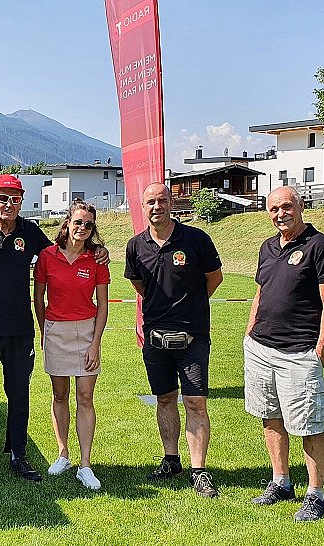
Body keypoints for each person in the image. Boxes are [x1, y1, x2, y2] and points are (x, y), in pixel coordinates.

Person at [0, 176, 110, 484]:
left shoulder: (30, 231)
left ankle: (18, 455)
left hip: (19, 331)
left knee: (19, 395)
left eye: (15, 199)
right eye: (3, 198)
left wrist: (98, 250)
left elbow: (62, 253)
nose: (9, 204)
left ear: (21, 201)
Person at [244, 186, 324, 522]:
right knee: (270, 417)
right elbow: (260, 293)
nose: (280, 214)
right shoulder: (267, 247)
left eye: (286, 206)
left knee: (310, 425)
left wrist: (320, 352)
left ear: (300, 206)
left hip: (299, 353)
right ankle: (281, 482)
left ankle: (316, 495)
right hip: (260, 348)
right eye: (273, 209)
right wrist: (249, 333)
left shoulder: (319, 245)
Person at [124, 182, 224, 499]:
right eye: (151, 202)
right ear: (143, 206)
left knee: (195, 402)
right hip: (155, 337)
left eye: (162, 200)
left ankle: (199, 470)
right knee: (165, 398)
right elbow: (139, 285)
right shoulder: (135, 246)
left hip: (193, 335)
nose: (157, 206)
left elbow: (214, 278)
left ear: (172, 203)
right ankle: (171, 460)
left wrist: (191, 305)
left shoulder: (196, 239)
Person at [33, 201, 110, 490]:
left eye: (89, 224)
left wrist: (95, 343)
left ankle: (85, 465)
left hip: (86, 332)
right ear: (67, 223)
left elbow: (103, 305)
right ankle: (63, 454)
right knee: (60, 395)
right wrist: (45, 331)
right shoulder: (47, 256)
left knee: (86, 397)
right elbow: (38, 298)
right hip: (56, 330)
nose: (83, 228)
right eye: (78, 222)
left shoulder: (97, 259)